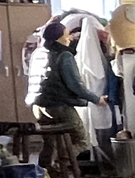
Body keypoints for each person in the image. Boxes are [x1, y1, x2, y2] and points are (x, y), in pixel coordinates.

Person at [28, 19, 104, 149]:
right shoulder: (64, 55)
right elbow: (75, 85)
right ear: (58, 38)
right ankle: (64, 160)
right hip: (59, 106)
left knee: (50, 146)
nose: (70, 38)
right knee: (82, 142)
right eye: (67, 34)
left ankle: (49, 163)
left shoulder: (38, 53)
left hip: (38, 106)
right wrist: (96, 99)